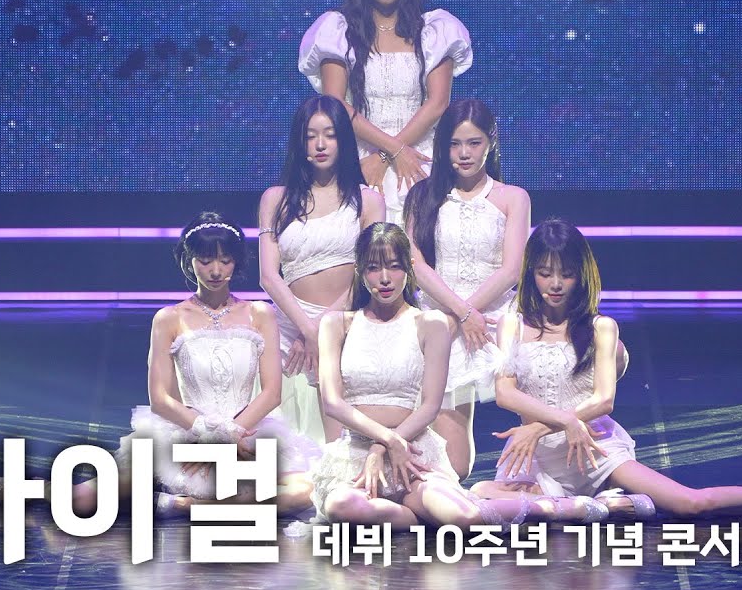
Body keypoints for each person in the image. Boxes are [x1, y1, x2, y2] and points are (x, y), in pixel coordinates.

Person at [471, 219, 742, 519]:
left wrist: (540, 425)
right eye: (545, 272)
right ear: (531, 273)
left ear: (582, 274)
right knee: (480, 499)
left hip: (595, 449)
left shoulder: (601, 327)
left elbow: (604, 401)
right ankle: (606, 505)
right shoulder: (511, 324)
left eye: (566, 273)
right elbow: (505, 393)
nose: (555, 284)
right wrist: (556, 425)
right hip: (536, 458)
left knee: (690, 503)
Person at [308, 223, 606, 526]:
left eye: (395, 267)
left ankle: (557, 507)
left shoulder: (431, 323)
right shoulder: (336, 324)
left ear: (409, 267)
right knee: (342, 507)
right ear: (359, 270)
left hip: (413, 452)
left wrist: (387, 445)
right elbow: (333, 403)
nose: (385, 278)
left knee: (465, 517)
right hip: (356, 453)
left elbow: (430, 406)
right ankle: (416, 517)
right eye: (374, 268)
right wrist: (383, 442)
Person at [87, 212, 318, 516]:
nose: (216, 271)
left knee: (306, 491)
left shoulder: (259, 313)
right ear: (189, 260)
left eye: (225, 261)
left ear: (237, 262)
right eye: (206, 260)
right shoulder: (169, 318)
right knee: (86, 498)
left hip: (246, 432)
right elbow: (160, 399)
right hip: (189, 432)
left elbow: (272, 392)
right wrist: (208, 435)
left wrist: (230, 433)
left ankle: (185, 505)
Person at [299, 0, 472, 223]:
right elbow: (335, 103)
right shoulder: (338, 31)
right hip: (361, 157)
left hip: (419, 156)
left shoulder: (434, 31)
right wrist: (389, 152)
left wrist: (392, 153)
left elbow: (438, 103)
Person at [402, 99, 529, 478]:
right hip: (441, 318)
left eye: (474, 143)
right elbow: (415, 264)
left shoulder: (513, 197)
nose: (464, 153)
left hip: (494, 320)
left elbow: (511, 269)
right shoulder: (422, 195)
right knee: (455, 466)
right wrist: (460, 314)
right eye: (455, 144)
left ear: (491, 142)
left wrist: (471, 313)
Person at [259, 96, 386, 442]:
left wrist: (321, 330)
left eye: (329, 135)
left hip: (347, 325)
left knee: (342, 444)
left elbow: (368, 273)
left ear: (343, 140)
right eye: (310, 136)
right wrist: (306, 329)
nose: (319, 144)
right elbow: (268, 276)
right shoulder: (276, 199)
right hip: (290, 330)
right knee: (286, 446)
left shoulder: (368, 201)